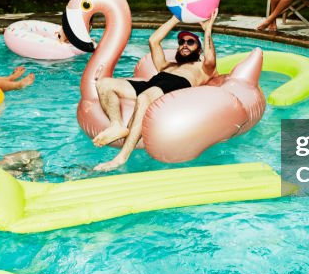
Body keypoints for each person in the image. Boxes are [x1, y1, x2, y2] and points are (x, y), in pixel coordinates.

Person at [91, 10, 218, 172]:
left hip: (177, 84)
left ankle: (121, 158)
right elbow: (153, 41)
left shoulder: (202, 68)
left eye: (191, 42)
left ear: (199, 50)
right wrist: (175, 18)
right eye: (182, 42)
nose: (185, 44)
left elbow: (210, 58)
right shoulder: (167, 65)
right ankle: (116, 125)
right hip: (153, 84)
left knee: (144, 98)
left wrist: (207, 30)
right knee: (104, 83)